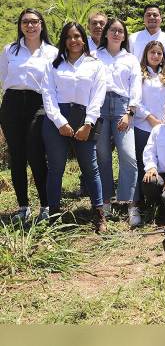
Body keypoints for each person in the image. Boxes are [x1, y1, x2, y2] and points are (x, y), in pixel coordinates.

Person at [41, 22, 107, 232]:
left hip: (84, 118)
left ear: (83, 39)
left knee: (91, 167)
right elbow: (48, 95)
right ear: (64, 40)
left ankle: (99, 214)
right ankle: (54, 216)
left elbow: (97, 96)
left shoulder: (94, 64)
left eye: (77, 36)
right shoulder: (53, 65)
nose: (74, 40)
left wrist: (89, 123)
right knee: (55, 169)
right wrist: (60, 122)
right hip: (56, 121)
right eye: (69, 37)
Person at [0, 8, 57, 222]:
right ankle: (23, 207)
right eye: (25, 22)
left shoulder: (51, 52)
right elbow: (3, 77)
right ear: (20, 25)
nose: (30, 26)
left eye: (34, 21)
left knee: (36, 154)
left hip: (38, 104)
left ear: (41, 25)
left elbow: (54, 83)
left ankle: (45, 206)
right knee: (17, 157)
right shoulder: (10, 50)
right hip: (12, 103)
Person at [95, 18, 142, 226]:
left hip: (123, 107)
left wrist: (130, 112)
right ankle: (106, 201)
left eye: (120, 31)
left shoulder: (130, 59)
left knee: (129, 155)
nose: (116, 34)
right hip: (100, 107)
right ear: (106, 33)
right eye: (112, 30)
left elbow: (136, 87)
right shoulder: (95, 56)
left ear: (124, 36)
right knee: (103, 156)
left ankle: (131, 203)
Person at [133, 40, 165, 208]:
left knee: (161, 160)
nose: (156, 55)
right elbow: (136, 99)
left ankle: (160, 199)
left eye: (159, 53)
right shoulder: (140, 74)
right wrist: (150, 118)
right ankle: (139, 201)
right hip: (143, 125)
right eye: (152, 52)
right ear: (146, 55)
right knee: (142, 162)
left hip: (164, 125)